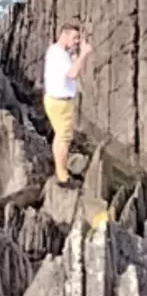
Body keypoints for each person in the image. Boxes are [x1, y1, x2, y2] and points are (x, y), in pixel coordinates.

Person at [43, 22, 92, 189]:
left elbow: (75, 70)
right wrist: (84, 54)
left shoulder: (60, 52)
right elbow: (72, 73)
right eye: (74, 37)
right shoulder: (59, 55)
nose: (77, 41)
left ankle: (60, 170)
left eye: (78, 38)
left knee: (60, 137)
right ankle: (63, 178)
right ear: (64, 34)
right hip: (60, 103)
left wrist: (78, 54)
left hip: (57, 101)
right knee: (64, 139)